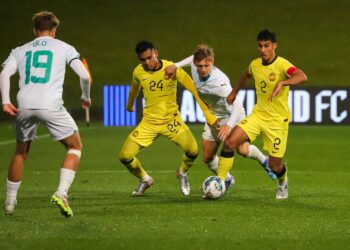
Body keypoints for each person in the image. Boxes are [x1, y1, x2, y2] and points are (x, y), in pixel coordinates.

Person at [0, 11, 91, 217]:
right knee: (75, 147)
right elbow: (84, 75)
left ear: (35, 30)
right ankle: (61, 193)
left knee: (20, 153)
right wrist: (85, 96)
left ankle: (9, 203)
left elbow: (4, 73)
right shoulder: (64, 47)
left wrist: (6, 100)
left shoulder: (20, 50)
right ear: (55, 30)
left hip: (24, 105)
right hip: (50, 105)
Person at [164, 44, 277, 189]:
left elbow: (237, 103)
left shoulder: (219, 82)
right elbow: (192, 58)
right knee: (207, 157)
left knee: (242, 150)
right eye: (200, 65)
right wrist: (176, 65)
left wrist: (229, 125)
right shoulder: (195, 64)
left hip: (232, 114)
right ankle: (228, 179)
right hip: (214, 115)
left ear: (212, 61)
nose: (203, 69)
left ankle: (264, 161)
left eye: (206, 65)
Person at [119, 40, 218, 196]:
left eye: (149, 57)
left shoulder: (172, 69)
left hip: (171, 121)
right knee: (124, 156)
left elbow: (193, 89)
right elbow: (134, 88)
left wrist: (208, 114)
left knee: (193, 150)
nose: (147, 62)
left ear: (156, 53)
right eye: (143, 59)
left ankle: (182, 173)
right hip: (149, 123)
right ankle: (145, 179)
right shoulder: (138, 72)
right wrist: (129, 105)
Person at [217, 29, 307, 199]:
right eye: (260, 46)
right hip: (258, 116)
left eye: (266, 46)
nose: (263, 50)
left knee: (275, 166)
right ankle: (220, 182)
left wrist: (284, 82)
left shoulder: (282, 64)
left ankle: (283, 182)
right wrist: (234, 92)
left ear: (274, 46)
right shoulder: (255, 64)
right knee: (229, 142)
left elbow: (302, 76)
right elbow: (245, 75)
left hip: (277, 121)